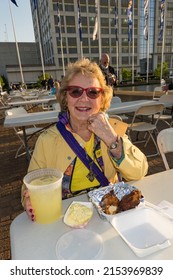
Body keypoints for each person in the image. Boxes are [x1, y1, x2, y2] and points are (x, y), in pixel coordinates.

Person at [22, 58, 148, 221]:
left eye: (93, 92)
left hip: (108, 215)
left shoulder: (113, 130)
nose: (84, 98)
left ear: (102, 98)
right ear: (66, 97)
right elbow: (30, 184)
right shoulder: (47, 140)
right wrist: (28, 200)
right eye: (75, 91)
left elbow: (140, 170)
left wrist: (112, 140)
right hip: (64, 217)